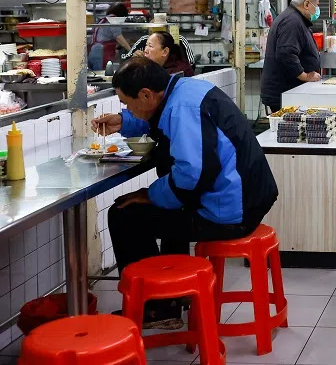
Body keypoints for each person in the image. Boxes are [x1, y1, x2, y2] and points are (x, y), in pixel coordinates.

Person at [92, 57, 278, 328]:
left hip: (231, 213)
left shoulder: (183, 109)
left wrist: (151, 194)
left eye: (127, 104)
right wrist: (124, 121)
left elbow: (192, 176)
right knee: (168, 205)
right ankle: (172, 298)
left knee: (125, 215)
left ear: (145, 94)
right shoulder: (184, 91)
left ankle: (156, 308)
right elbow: (158, 118)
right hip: (248, 197)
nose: (126, 108)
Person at [261, 0, 322, 112]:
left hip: (291, 92)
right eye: (316, 5)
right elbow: (286, 54)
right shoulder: (292, 21)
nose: (317, 10)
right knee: (289, 130)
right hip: (285, 94)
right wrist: (305, 76)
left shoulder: (296, 19)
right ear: (306, 4)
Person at [88, 3, 131, 70]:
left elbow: (105, 36)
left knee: (95, 77)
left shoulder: (103, 20)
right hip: (101, 54)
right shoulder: (114, 20)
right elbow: (118, 37)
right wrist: (131, 50)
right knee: (102, 77)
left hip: (92, 53)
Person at [124, 34, 195, 65]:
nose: (146, 50)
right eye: (146, 45)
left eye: (150, 46)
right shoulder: (144, 39)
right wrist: (133, 58)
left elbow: (191, 62)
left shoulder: (179, 39)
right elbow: (126, 59)